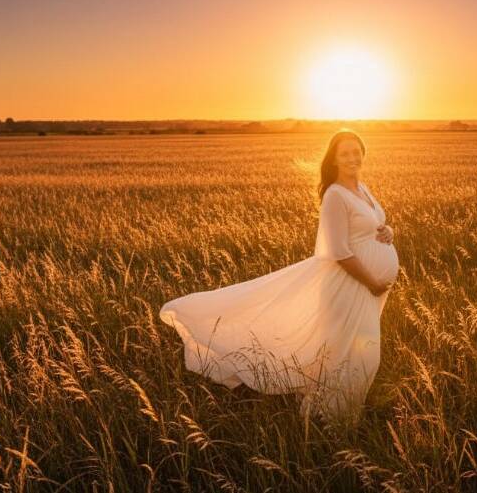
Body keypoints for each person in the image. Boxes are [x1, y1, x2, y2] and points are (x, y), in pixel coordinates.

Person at [159, 129, 399, 424]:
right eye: (344, 153)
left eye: (356, 151)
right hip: (350, 286)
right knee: (354, 354)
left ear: (364, 153)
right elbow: (338, 251)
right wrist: (373, 282)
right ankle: (332, 420)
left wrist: (388, 231)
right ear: (334, 160)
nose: (352, 158)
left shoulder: (361, 188)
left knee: (355, 351)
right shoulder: (335, 195)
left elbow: (374, 225)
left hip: (365, 288)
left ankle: (339, 414)